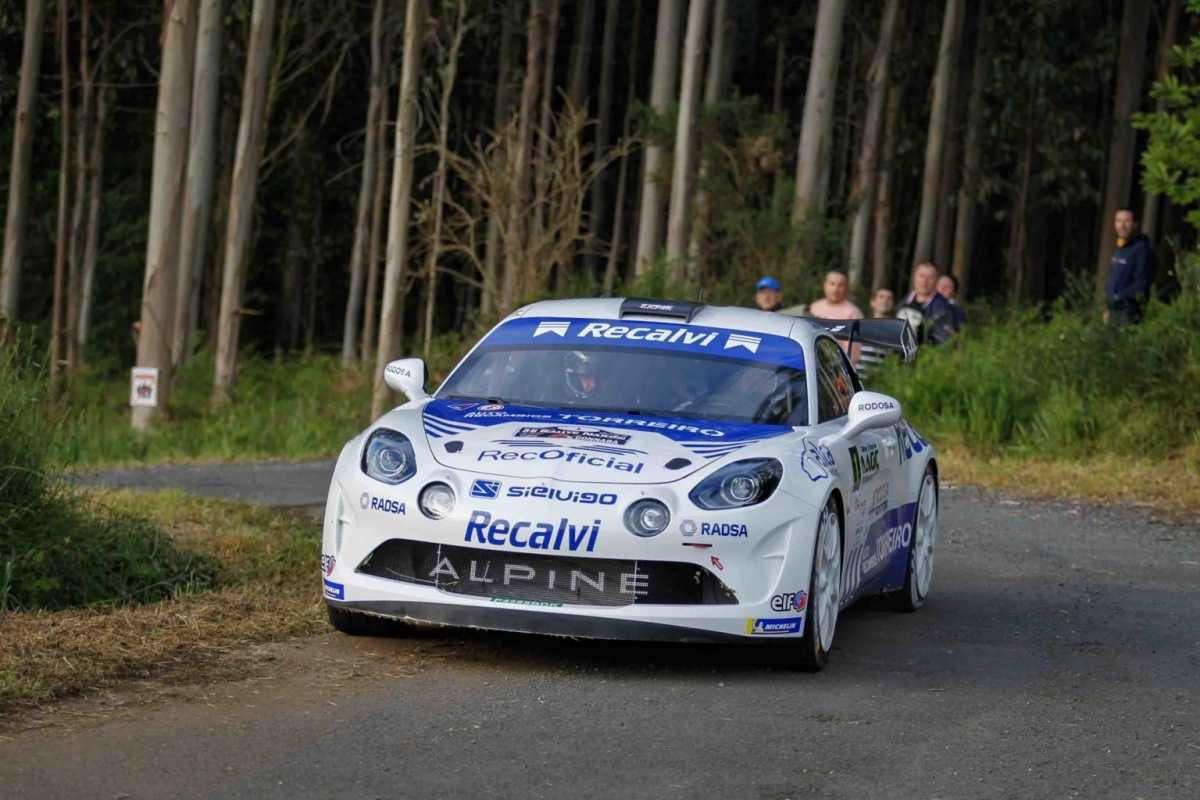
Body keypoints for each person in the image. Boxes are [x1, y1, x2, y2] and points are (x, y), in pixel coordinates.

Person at [1104, 208, 1156, 325]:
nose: (1122, 225)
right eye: (1118, 221)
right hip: (1114, 310)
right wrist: (1109, 307)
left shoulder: (1141, 249)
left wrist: (1118, 297)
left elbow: (1142, 283)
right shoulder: (1121, 248)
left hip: (1128, 312)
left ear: (1135, 225)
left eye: (1127, 221)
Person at [808, 270, 863, 361]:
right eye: (832, 284)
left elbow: (853, 349)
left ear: (846, 288)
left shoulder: (853, 313)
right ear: (824, 285)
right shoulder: (814, 307)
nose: (835, 289)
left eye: (840, 285)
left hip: (836, 367)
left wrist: (844, 372)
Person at [900, 262, 957, 345]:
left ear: (937, 281)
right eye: (921, 276)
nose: (924, 281)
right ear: (914, 278)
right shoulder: (902, 303)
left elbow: (943, 341)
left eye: (930, 278)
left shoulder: (944, 308)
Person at [856, 288, 895, 377]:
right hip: (857, 379)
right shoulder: (860, 325)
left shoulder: (896, 330)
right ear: (872, 302)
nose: (885, 300)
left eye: (889, 298)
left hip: (880, 381)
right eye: (881, 297)